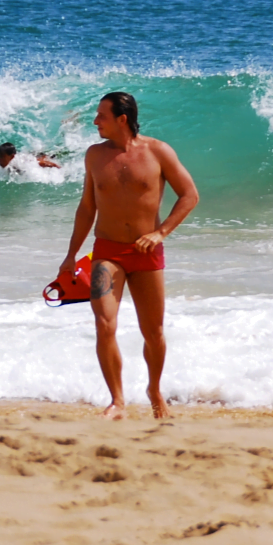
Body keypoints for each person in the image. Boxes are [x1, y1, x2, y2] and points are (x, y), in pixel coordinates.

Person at [57, 92, 199, 420]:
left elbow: (189, 195)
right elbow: (87, 207)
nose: (95, 121)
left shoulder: (158, 151)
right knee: (104, 324)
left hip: (146, 253)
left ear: (122, 119)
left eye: (101, 116)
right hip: (107, 252)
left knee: (154, 332)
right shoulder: (94, 155)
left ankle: (154, 389)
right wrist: (71, 255)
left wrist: (160, 232)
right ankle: (117, 401)